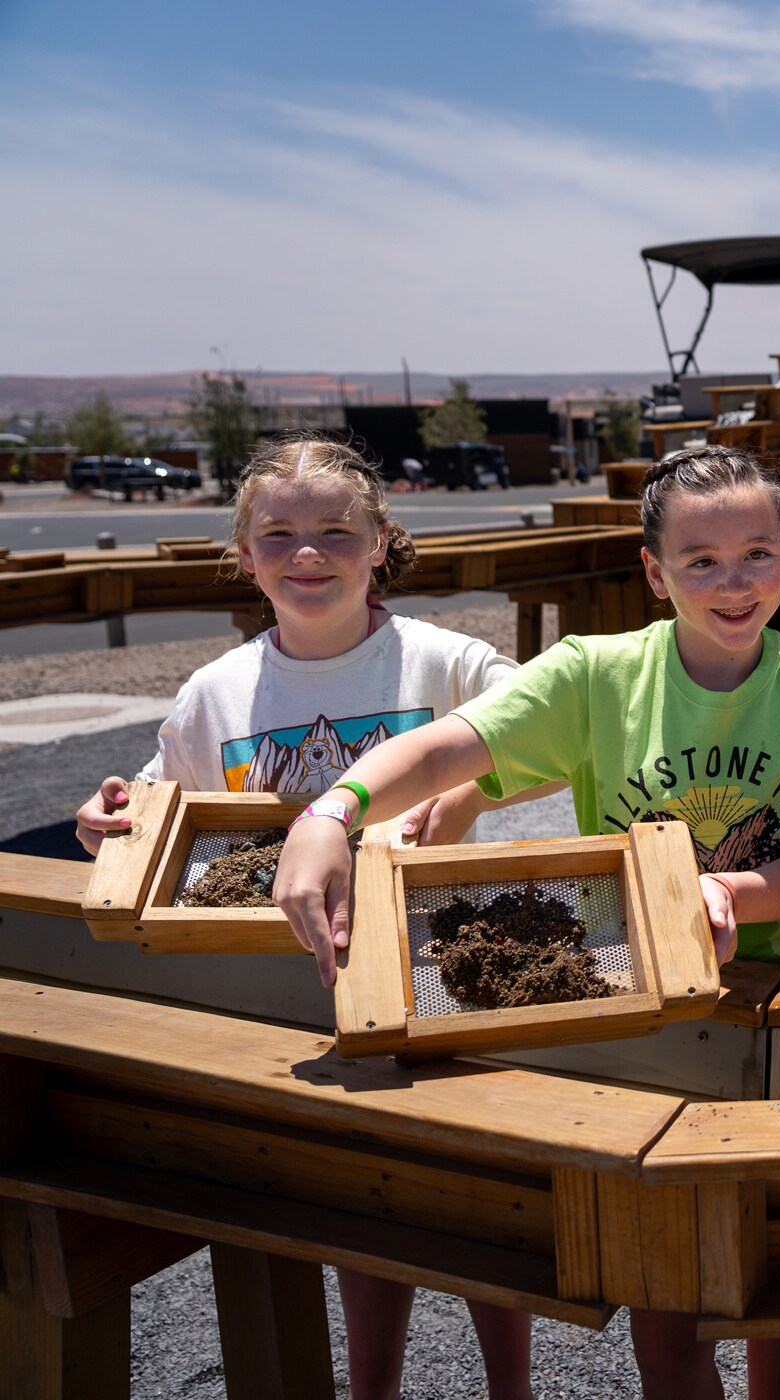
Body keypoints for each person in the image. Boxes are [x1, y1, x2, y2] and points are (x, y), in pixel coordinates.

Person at [271, 444, 780, 1400]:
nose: (734, 584)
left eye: (757, 555)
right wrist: (330, 813)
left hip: (778, 1011)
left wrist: (730, 894)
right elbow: (445, 748)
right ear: (654, 571)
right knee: (666, 1308)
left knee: (777, 1289)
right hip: (641, 1020)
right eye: (701, 562)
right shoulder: (596, 674)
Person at [71, 434, 535, 1400]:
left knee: (486, 1207)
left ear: (380, 543)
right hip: (303, 990)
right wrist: (108, 814)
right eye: (278, 535)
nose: (307, 553)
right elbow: (165, 804)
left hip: (452, 975)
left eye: (335, 530)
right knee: (360, 1206)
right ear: (244, 555)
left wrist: (465, 797)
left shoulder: (444, 664)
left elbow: (538, 724)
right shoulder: (220, 693)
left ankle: (511, 1385)